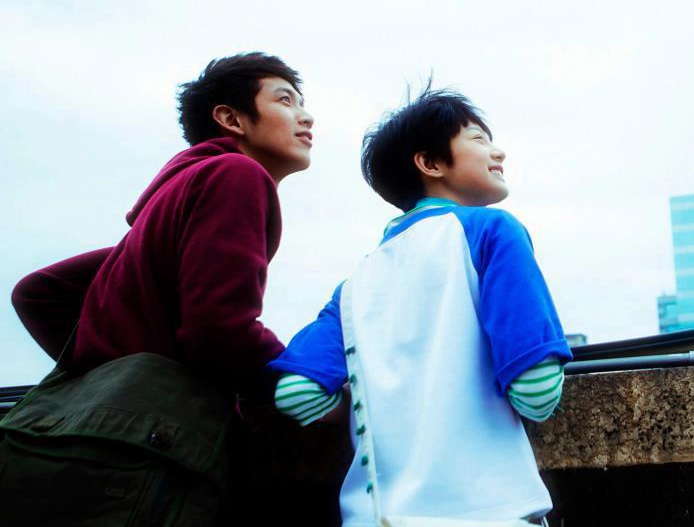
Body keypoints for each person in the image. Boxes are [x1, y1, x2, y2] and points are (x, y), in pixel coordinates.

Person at [1, 52, 315, 526]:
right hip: (146, 455)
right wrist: (302, 385)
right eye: (285, 100)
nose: (306, 117)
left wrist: (106, 373)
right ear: (231, 119)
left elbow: (38, 292)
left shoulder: (162, 217)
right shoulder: (237, 174)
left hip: (67, 447)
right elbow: (219, 332)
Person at [267, 86, 572, 526]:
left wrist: (374, 399)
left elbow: (297, 394)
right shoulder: (492, 232)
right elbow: (536, 392)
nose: (498, 151)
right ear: (430, 163)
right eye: (479, 139)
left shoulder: (355, 283)